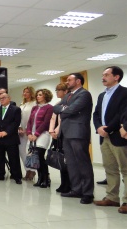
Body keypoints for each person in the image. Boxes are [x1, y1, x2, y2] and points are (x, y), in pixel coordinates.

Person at [53, 73, 94, 205]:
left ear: (78, 81)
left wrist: (64, 109)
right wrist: (64, 108)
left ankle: (87, 193)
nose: (67, 82)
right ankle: (76, 189)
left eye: (69, 80)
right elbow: (56, 108)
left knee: (82, 163)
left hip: (78, 133)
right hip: (66, 133)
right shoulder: (68, 95)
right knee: (71, 163)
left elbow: (72, 110)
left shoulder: (84, 94)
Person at [93, 66, 127, 213]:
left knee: (125, 169)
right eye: (103, 75)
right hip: (104, 137)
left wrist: (108, 129)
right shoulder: (102, 95)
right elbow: (96, 114)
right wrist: (99, 127)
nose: (103, 77)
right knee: (110, 169)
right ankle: (112, 198)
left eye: (106, 74)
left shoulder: (124, 93)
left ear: (116, 77)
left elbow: (122, 114)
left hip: (118, 137)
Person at [0, 93, 22, 184]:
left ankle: (16, 176)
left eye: (3, 98)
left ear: (9, 98)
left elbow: (16, 123)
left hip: (11, 138)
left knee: (13, 158)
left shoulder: (16, 109)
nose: (1, 100)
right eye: (0, 98)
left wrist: (6, 132)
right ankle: (0, 175)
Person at [25, 89, 53, 188]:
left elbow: (46, 122)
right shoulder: (34, 108)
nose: (38, 96)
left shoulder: (49, 108)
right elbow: (29, 122)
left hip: (42, 134)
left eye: (40, 95)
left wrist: (36, 134)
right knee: (35, 158)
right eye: (37, 95)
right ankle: (40, 178)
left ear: (46, 96)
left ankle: (46, 179)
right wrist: (28, 133)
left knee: (40, 157)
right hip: (31, 135)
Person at [49, 83, 71, 193]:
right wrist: (51, 130)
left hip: (64, 134)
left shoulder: (68, 104)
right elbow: (53, 119)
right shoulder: (58, 103)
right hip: (56, 135)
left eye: (58, 90)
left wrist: (57, 130)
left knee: (67, 160)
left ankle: (69, 184)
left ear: (65, 91)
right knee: (60, 159)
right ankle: (63, 183)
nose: (57, 92)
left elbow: (63, 120)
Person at [18, 86, 36, 181]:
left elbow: (33, 118)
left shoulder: (34, 103)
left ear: (31, 93)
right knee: (22, 151)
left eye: (27, 92)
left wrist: (27, 129)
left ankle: (32, 170)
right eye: (24, 92)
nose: (25, 94)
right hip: (21, 131)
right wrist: (20, 127)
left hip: (30, 130)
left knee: (30, 152)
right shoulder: (22, 104)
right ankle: (27, 169)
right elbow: (19, 117)